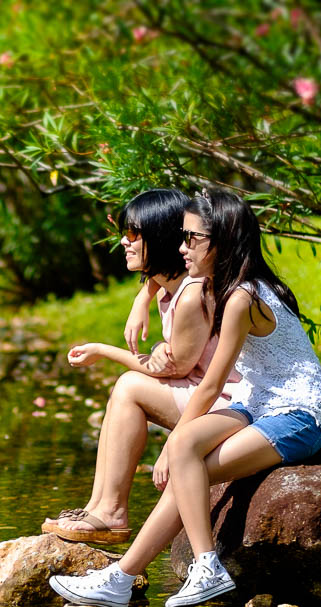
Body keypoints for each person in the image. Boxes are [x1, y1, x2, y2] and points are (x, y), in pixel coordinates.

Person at [49, 188, 321, 607]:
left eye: (191, 239)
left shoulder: (241, 298)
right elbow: (169, 284)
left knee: (186, 463)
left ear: (223, 241)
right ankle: (122, 579)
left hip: (295, 415)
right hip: (257, 404)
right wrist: (143, 297)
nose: (181, 248)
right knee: (184, 453)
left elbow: (213, 384)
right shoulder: (230, 284)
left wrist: (173, 447)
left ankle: (196, 567)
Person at [40, 189, 245, 545]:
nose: (124, 241)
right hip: (202, 390)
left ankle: (111, 512)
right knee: (127, 388)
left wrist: (103, 350)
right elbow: (160, 292)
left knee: (130, 387)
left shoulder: (193, 293)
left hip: (227, 402)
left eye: (134, 234)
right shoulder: (171, 282)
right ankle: (99, 506)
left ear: (161, 237)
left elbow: (169, 369)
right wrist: (143, 296)